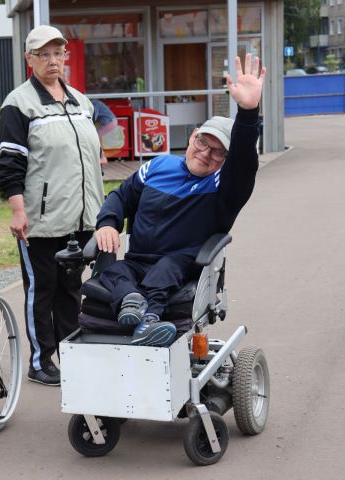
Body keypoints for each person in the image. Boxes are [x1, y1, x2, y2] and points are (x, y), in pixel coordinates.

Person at [95, 53, 266, 348]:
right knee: (112, 269)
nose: (206, 153)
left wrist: (248, 114)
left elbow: (243, 164)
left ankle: (150, 321)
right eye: (203, 142)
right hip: (138, 260)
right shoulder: (158, 167)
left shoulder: (223, 186)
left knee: (165, 269)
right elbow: (120, 197)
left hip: (181, 262)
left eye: (218, 152)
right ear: (192, 137)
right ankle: (131, 303)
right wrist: (108, 223)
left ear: (225, 160)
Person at [0, 25, 104, 386]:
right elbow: (9, 162)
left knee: (71, 289)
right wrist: (17, 210)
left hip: (78, 217)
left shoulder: (80, 102)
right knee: (41, 290)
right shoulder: (20, 103)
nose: (53, 60)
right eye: (43, 54)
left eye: (58, 53)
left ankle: (70, 351)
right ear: (29, 59)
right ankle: (41, 361)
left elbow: (89, 153)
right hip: (39, 220)